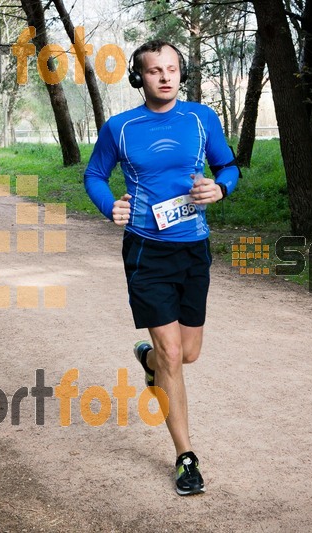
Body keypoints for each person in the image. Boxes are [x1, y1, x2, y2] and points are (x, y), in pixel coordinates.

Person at [84, 40, 239, 496]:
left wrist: (221, 189)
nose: (165, 77)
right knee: (175, 356)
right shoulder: (121, 127)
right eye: (155, 71)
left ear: (181, 73)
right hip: (146, 251)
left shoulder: (201, 118)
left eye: (172, 69)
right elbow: (94, 175)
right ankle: (185, 456)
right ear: (140, 77)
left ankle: (148, 361)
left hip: (193, 248)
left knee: (187, 354)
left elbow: (228, 166)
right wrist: (108, 204)